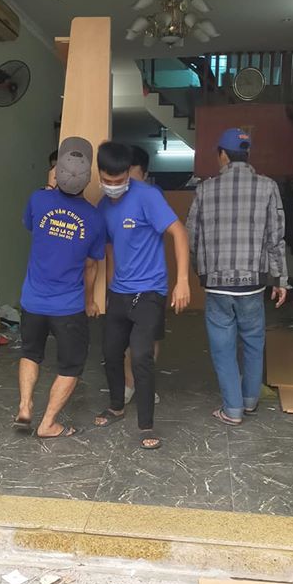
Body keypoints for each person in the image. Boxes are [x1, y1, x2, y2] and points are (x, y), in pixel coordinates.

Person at [186, 128, 287, 426]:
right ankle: (250, 401)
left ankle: (232, 409)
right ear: (247, 154)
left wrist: (200, 270)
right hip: (253, 282)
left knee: (223, 346)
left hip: (217, 283)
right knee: (254, 341)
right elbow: (276, 237)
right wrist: (280, 279)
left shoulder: (205, 189)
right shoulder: (268, 187)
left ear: (222, 155)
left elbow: (192, 236)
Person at [95, 141, 190, 450]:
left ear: (128, 173)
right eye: (107, 180)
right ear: (100, 174)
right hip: (119, 292)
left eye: (119, 180)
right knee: (110, 353)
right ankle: (116, 407)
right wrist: (108, 290)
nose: (113, 186)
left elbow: (178, 232)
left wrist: (183, 282)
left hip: (149, 291)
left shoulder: (148, 196)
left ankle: (146, 425)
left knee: (140, 357)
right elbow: (110, 249)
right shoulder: (103, 206)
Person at [16, 137, 105, 438]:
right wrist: (90, 300)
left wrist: (49, 187)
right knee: (70, 366)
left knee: (30, 353)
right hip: (68, 307)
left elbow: (31, 226)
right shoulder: (94, 219)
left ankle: (25, 407)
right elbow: (91, 266)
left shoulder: (38, 200)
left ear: (56, 172)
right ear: (88, 179)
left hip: (33, 301)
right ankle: (48, 423)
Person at [123, 144, 161, 405]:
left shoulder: (153, 196)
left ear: (145, 175)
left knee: (150, 338)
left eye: (132, 174)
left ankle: (144, 383)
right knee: (125, 337)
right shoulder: (114, 199)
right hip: (122, 282)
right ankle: (129, 384)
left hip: (151, 284)